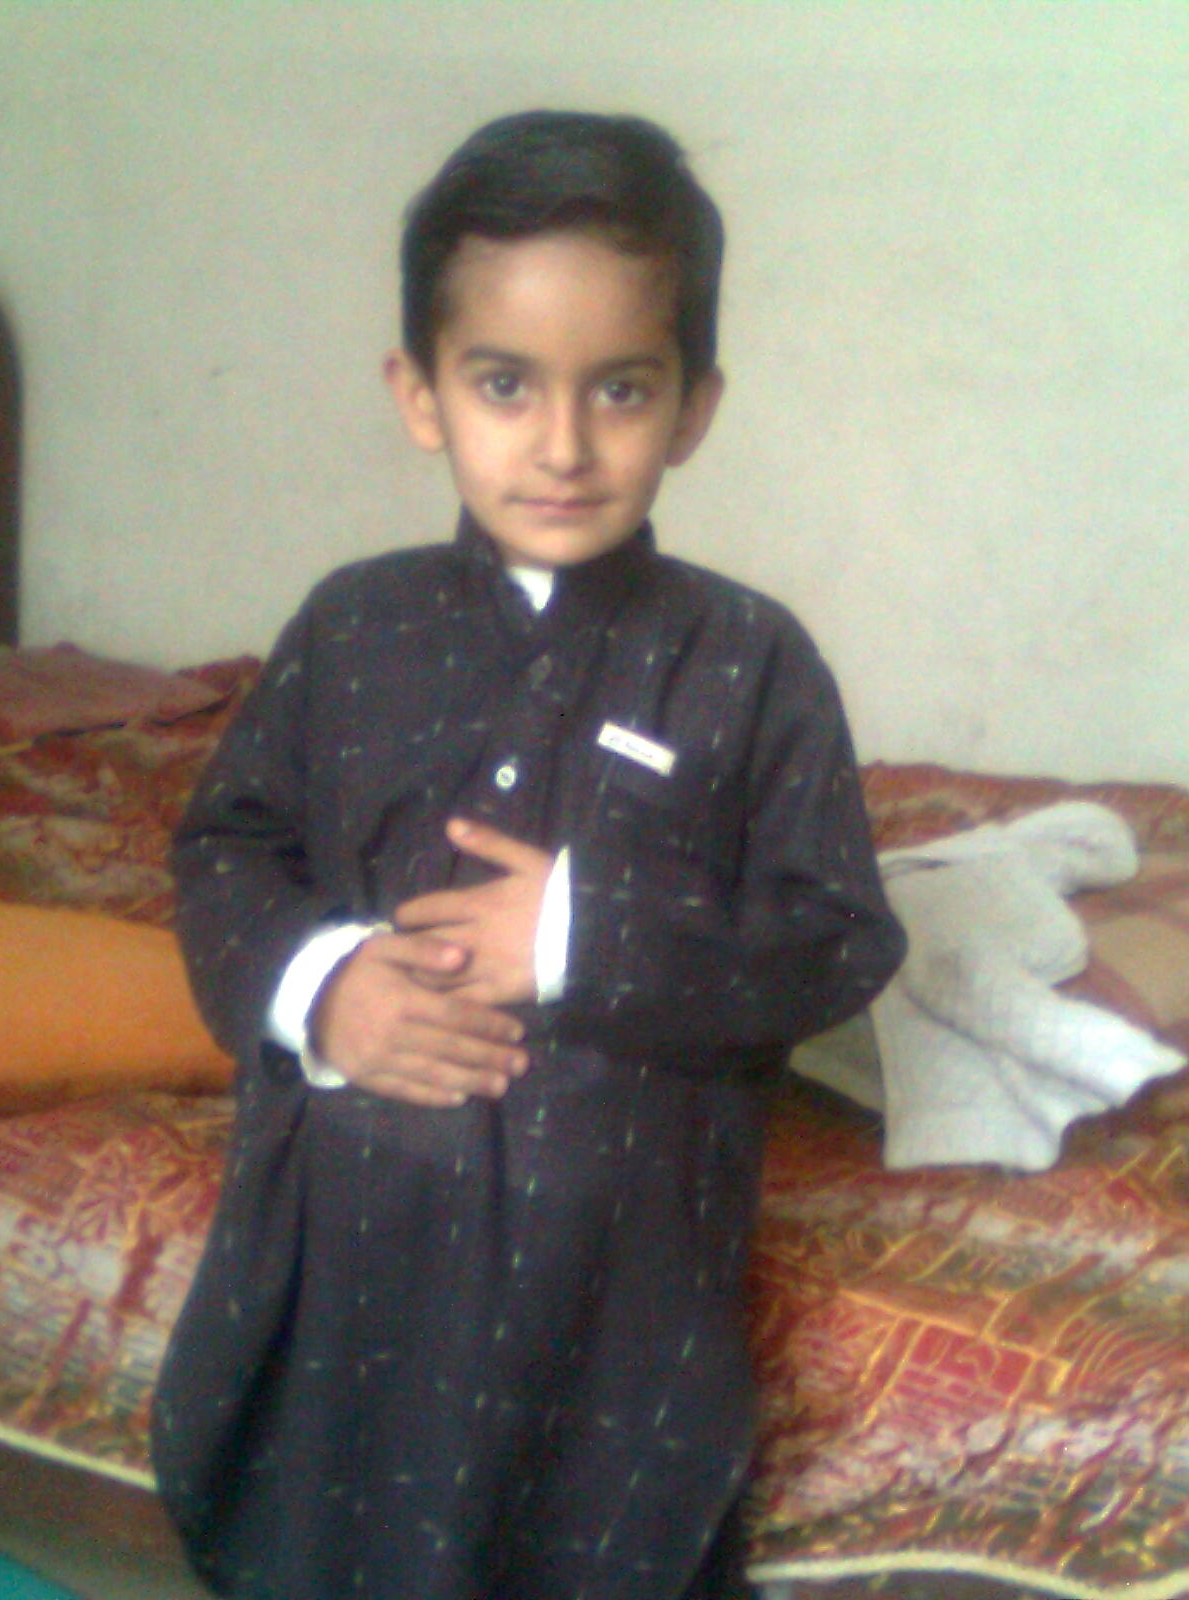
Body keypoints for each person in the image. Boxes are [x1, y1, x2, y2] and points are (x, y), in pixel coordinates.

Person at [152, 110, 905, 1600]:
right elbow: (227, 849)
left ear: (692, 407)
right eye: (505, 384)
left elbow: (837, 935)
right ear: (421, 395)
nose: (563, 446)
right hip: (346, 1261)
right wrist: (322, 986)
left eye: (620, 389)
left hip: (615, 1299)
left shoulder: (747, 660)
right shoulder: (351, 628)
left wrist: (580, 937)